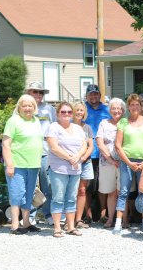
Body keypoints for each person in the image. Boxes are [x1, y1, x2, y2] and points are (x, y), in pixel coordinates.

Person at [114, 94, 143, 235]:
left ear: (140, 106)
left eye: (137, 104)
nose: (135, 107)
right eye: (132, 105)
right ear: (128, 107)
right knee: (124, 191)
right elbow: (118, 145)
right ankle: (118, 223)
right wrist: (129, 162)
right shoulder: (123, 122)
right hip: (127, 160)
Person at [2, 95, 44, 234]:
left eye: (30, 106)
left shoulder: (36, 121)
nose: (27, 108)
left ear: (34, 107)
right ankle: (15, 225)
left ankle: (26, 223)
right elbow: (6, 144)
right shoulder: (13, 121)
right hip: (17, 164)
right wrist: (9, 164)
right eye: (24, 105)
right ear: (19, 107)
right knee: (17, 194)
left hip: (33, 164)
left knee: (29, 194)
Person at [46, 102, 87, 237]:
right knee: (58, 198)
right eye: (63, 112)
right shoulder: (53, 127)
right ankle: (57, 228)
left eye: (69, 112)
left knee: (71, 198)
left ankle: (70, 227)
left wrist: (78, 156)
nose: (66, 114)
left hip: (75, 169)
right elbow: (54, 148)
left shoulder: (78, 128)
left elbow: (83, 146)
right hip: (59, 168)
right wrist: (70, 158)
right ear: (58, 113)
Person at [25, 81, 55, 224]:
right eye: (35, 91)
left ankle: (48, 213)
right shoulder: (23, 109)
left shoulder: (50, 109)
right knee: (30, 185)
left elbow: (55, 128)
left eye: (41, 92)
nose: (38, 95)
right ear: (29, 93)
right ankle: (31, 215)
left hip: (46, 152)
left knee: (47, 184)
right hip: (28, 152)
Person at [96, 98, 125, 229]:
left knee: (122, 191)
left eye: (119, 108)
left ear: (123, 110)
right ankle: (110, 219)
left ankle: (124, 220)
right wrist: (111, 160)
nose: (116, 111)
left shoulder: (127, 123)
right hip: (107, 163)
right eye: (113, 108)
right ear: (110, 110)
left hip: (124, 162)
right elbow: (100, 143)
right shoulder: (104, 123)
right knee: (111, 192)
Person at [84, 84, 111, 222]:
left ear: (100, 95)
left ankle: (103, 214)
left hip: (104, 153)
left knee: (103, 184)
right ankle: (87, 215)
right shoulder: (83, 109)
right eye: (90, 94)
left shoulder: (107, 110)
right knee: (88, 185)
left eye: (96, 94)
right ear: (86, 96)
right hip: (87, 153)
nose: (93, 97)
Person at [71, 102, 94, 229]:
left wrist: (83, 158)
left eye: (81, 110)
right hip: (71, 163)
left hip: (85, 162)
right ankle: (69, 219)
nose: (79, 112)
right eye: (77, 110)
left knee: (82, 190)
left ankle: (79, 219)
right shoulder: (67, 126)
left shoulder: (87, 128)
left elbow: (91, 146)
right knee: (71, 191)